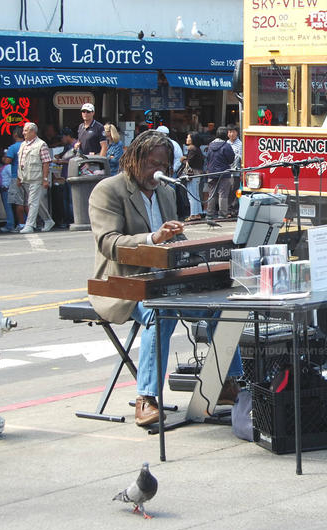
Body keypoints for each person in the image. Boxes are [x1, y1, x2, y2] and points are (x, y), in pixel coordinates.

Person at [87, 130, 242, 426]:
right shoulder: (108, 190)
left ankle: (226, 382)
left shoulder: (167, 191)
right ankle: (146, 398)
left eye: (163, 165)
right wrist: (152, 238)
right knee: (163, 312)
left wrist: (199, 254)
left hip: (166, 281)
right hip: (124, 284)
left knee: (223, 307)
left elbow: (176, 238)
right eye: (151, 163)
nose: (157, 171)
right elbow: (107, 242)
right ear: (133, 160)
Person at [17, 122, 55, 233]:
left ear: (33, 132)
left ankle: (29, 225)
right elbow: (21, 162)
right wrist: (19, 177)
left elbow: (46, 162)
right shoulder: (23, 144)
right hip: (25, 178)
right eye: (24, 130)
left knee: (32, 202)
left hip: (36, 178)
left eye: (26, 130)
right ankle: (48, 220)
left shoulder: (41, 144)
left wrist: (45, 179)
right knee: (36, 201)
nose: (23, 133)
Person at [204, 127, 236, 220]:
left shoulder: (210, 145)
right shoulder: (226, 146)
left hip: (211, 172)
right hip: (224, 173)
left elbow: (208, 158)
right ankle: (222, 214)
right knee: (223, 194)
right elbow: (231, 159)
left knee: (212, 193)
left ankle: (209, 214)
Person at [2, 128, 26, 231]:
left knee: (19, 203)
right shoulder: (28, 145)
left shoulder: (13, 147)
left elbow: (7, 161)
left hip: (16, 176)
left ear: (15, 135)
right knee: (28, 202)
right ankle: (31, 223)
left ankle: (21, 224)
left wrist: (3, 157)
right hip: (28, 177)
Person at [185, 132, 205, 221]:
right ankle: (198, 213)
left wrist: (183, 159)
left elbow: (190, 161)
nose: (186, 139)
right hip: (198, 173)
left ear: (192, 139)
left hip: (192, 174)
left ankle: (193, 214)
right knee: (196, 194)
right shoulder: (198, 149)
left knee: (191, 194)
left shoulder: (192, 149)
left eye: (188, 137)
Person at [227, 124, 242, 216]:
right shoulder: (227, 143)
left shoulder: (240, 144)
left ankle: (234, 210)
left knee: (235, 191)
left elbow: (240, 158)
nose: (231, 134)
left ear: (237, 133)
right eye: (229, 132)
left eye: (233, 132)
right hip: (227, 172)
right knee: (228, 191)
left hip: (236, 172)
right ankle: (229, 209)